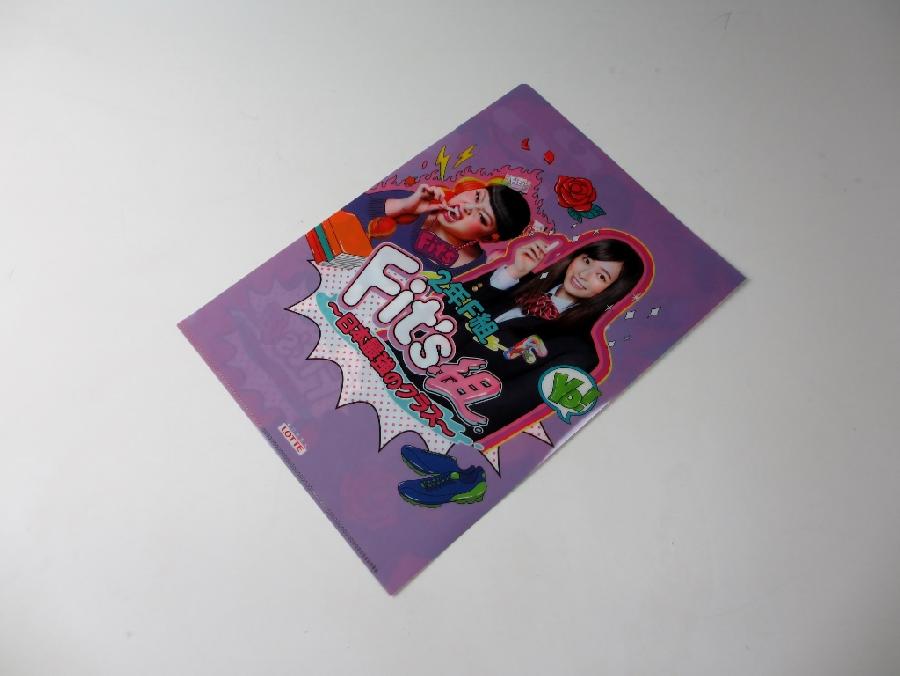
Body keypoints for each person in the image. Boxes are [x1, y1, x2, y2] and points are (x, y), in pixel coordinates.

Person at [442, 235, 648, 442]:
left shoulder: (578, 353)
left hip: (442, 410)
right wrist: (513, 272)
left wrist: (442, 422)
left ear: (610, 292)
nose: (584, 274)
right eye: (586, 260)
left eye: (601, 276)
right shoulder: (517, 280)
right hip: (423, 356)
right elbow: (443, 310)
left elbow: (505, 405)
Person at [340, 179, 531, 273]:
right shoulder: (418, 201)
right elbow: (345, 211)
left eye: (482, 217)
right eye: (477, 196)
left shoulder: (472, 271)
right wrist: (402, 206)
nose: (466, 207)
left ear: (489, 237)